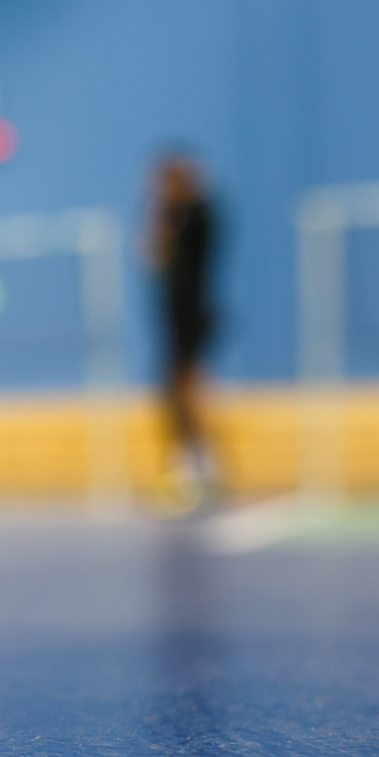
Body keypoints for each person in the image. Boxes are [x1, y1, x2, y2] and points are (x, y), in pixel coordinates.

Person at [144, 151, 219, 509]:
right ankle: (190, 464)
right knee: (177, 388)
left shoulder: (195, 215)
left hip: (190, 310)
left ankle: (198, 466)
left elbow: (154, 255)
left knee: (186, 386)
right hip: (176, 311)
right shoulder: (184, 213)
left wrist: (161, 214)